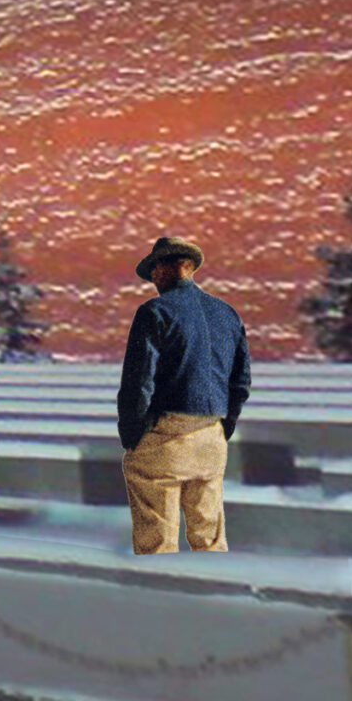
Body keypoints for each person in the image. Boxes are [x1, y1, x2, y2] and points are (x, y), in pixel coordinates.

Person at [116, 235, 250, 554]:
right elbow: (241, 382)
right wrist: (223, 427)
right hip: (211, 435)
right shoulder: (228, 314)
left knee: (157, 538)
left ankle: (163, 597)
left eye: (155, 271)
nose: (153, 280)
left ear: (170, 267)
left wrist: (132, 434)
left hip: (166, 432)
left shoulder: (154, 312)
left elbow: (138, 381)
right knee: (210, 537)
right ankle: (215, 596)